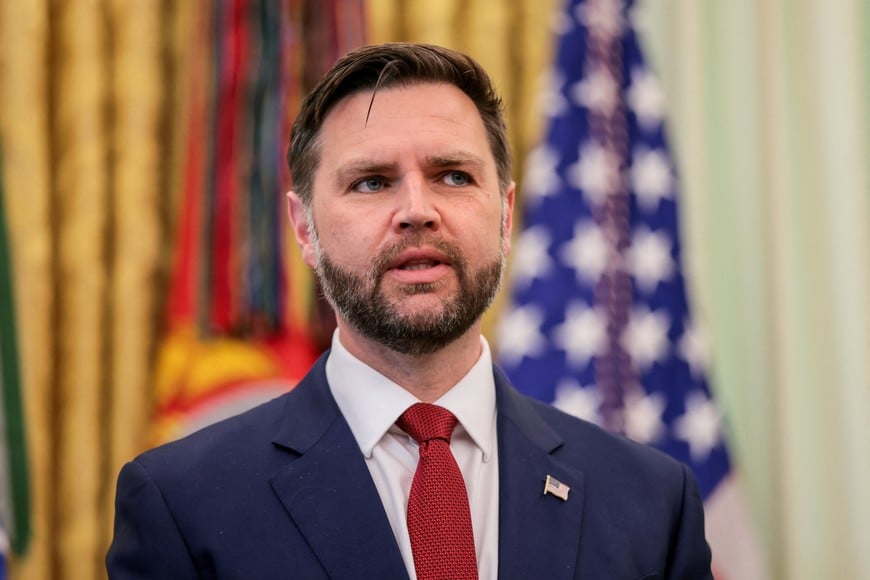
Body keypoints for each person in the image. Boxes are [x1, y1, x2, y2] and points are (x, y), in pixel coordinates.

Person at [107, 43, 712, 579]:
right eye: (371, 182)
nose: (417, 210)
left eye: (453, 175)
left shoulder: (653, 502)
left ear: (504, 217)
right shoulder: (181, 503)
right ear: (304, 230)